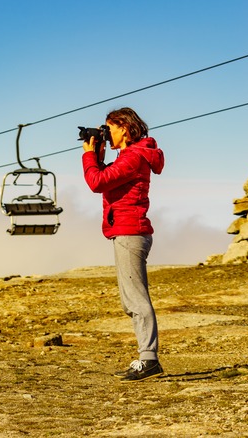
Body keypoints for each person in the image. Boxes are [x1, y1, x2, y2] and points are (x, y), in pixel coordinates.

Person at [81, 107, 165, 382]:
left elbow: (97, 182)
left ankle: (149, 359)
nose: (106, 133)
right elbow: (107, 179)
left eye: (109, 128)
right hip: (126, 231)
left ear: (125, 129)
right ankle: (147, 357)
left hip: (130, 232)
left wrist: (87, 156)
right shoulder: (130, 157)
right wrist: (99, 155)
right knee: (130, 299)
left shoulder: (133, 157)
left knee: (135, 299)